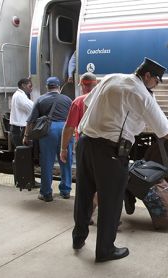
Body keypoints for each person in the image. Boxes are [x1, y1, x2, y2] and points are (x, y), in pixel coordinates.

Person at [72, 57, 168, 262]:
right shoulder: (141, 93)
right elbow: (164, 130)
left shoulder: (111, 78)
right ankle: (105, 250)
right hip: (110, 151)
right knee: (111, 201)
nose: (156, 85)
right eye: (157, 80)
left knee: (84, 193)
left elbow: (88, 102)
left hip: (85, 143)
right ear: (147, 75)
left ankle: (78, 238)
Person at [23, 77, 74, 202]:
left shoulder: (40, 99)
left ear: (47, 87)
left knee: (47, 162)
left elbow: (31, 121)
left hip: (48, 131)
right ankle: (66, 191)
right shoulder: (67, 99)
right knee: (66, 161)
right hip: (65, 129)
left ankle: (46, 193)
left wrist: (26, 136)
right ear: (58, 86)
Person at [60, 72, 98, 224]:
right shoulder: (103, 99)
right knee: (101, 182)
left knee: (86, 184)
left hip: (85, 145)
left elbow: (69, 127)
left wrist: (63, 148)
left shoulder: (79, 101)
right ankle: (107, 216)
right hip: (105, 146)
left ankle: (86, 216)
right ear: (96, 84)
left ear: (82, 85)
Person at [9, 78, 33, 147]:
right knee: (23, 152)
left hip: (18, 129)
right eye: (30, 86)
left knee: (21, 152)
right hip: (19, 129)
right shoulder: (20, 96)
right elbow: (33, 108)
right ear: (23, 85)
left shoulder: (20, 95)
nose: (31, 89)